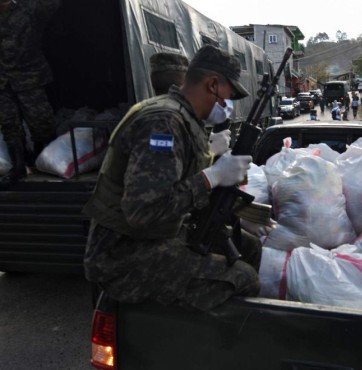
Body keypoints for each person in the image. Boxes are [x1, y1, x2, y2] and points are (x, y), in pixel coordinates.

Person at [83, 45, 272, 311]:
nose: (228, 104)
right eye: (228, 96)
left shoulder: (183, 117)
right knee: (244, 278)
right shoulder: (163, 123)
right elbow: (143, 211)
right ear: (213, 84)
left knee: (248, 247)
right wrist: (211, 177)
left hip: (157, 236)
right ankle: (208, 346)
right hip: (123, 254)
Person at [0, 0, 62, 185]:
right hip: (2, 80)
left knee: (41, 122)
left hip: (29, 76)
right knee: (9, 124)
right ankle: (18, 166)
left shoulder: (30, 8)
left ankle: (43, 157)